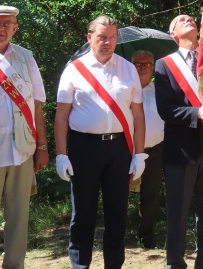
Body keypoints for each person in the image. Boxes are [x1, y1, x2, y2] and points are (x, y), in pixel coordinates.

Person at [54, 14, 147, 269]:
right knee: (83, 213)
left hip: (119, 148)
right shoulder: (74, 70)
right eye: (102, 37)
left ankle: (113, 265)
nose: (108, 42)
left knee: (117, 214)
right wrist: (61, 154)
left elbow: (138, 114)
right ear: (90, 37)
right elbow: (61, 117)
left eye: (113, 37)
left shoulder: (128, 69)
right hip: (84, 148)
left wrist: (139, 153)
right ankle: (79, 265)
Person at [155, 14, 203, 269]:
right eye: (181, 20)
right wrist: (196, 112)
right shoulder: (164, 65)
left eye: (191, 18)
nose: (188, 20)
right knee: (178, 213)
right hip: (181, 149)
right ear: (173, 34)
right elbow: (165, 109)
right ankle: (175, 264)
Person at [0, 5, 49, 269]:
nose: (0, 28)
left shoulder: (26, 58)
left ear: (15, 28)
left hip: (22, 148)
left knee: (18, 218)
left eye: (6, 24)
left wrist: (43, 147)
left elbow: (36, 104)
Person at [131, 50, 164, 249]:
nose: (143, 67)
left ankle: (146, 234)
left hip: (155, 150)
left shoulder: (161, 90)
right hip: (127, 150)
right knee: (118, 192)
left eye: (148, 64)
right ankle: (118, 231)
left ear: (153, 68)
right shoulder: (124, 88)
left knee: (150, 194)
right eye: (138, 64)